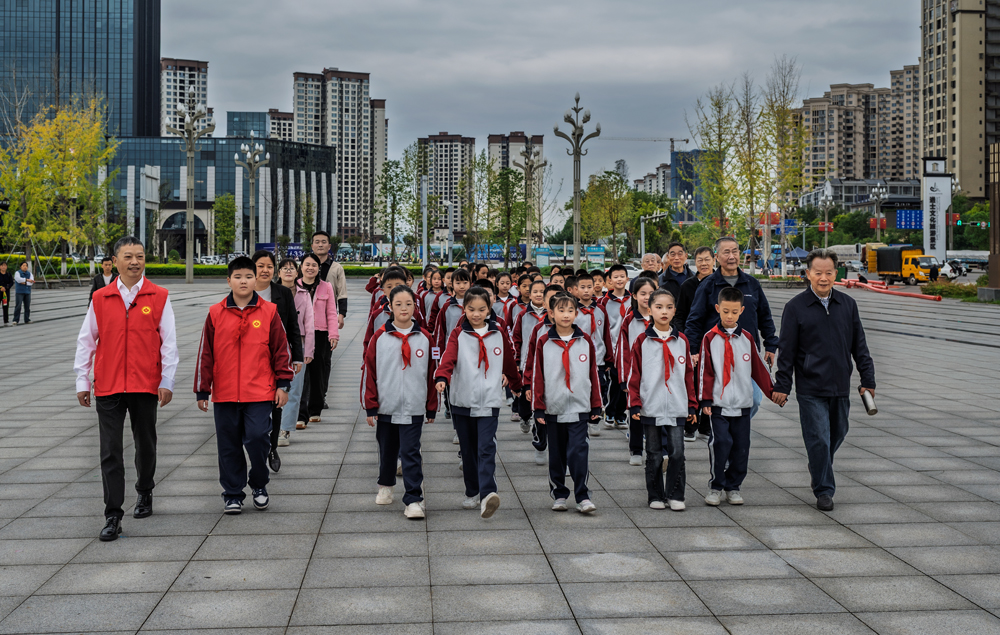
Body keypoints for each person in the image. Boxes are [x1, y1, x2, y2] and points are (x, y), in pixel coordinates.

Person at [74, 236, 178, 541]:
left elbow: (169, 343)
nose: (135, 262)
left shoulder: (158, 295)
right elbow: (86, 342)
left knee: (145, 443)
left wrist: (167, 380)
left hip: (145, 383)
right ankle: (113, 514)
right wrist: (82, 380)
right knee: (110, 451)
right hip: (108, 385)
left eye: (140, 256)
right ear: (115, 261)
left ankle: (144, 491)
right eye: (128, 256)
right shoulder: (101, 298)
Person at [772, 249, 876, 512]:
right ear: (808, 274)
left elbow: (860, 346)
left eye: (828, 273)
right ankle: (824, 491)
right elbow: (787, 352)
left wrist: (868, 378)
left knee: (838, 433)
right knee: (819, 438)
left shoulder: (847, 305)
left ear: (836, 274)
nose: (823, 278)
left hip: (840, 385)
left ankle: (818, 465)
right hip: (810, 387)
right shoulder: (795, 307)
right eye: (817, 273)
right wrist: (783, 386)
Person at [195, 256, 294, 515]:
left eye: (248, 276)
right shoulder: (216, 313)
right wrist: (202, 388)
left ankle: (259, 484)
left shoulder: (269, 311)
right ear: (228, 280)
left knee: (259, 437)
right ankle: (232, 493)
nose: (243, 281)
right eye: (238, 276)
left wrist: (283, 383)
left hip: (260, 390)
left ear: (257, 280)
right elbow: (206, 353)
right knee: (228, 445)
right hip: (226, 393)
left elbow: (281, 350)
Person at [435, 287, 522, 519]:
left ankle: (487, 494)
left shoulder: (498, 333)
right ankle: (472, 491)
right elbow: (448, 357)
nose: (476, 313)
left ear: (489, 309)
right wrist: (442, 377)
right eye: (471, 309)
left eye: (481, 309)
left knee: (486, 448)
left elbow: (509, 362)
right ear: (464, 309)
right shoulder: (457, 334)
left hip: (490, 401)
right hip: (462, 400)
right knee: (468, 450)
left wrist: (516, 384)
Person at [685, 236, 778, 420]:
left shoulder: (752, 284)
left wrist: (770, 345)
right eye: (726, 252)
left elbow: (765, 316)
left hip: (747, 354)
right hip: (717, 356)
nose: (731, 256)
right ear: (717, 257)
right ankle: (722, 436)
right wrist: (694, 350)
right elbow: (694, 320)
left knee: (755, 399)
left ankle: (737, 431)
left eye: (734, 251)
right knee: (720, 402)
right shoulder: (708, 286)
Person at [364, 285, 437, 519]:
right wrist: (371, 405)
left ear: (415, 307)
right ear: (390, 307)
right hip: (386, 405)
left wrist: (431, 406)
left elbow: (432, 373)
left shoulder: (426, 338)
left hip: (414, 406)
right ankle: (385, 485)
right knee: (387, 451)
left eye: (408, 304)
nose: (404, 308)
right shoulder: (379, 337)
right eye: (398, 304)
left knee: (411, 452)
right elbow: (370, 372)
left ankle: (414, 498)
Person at [698, 286, 775, 507]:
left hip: (742, 404)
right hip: (718, 405)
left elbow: (759, 369)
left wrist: (774, 392)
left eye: (734, 312)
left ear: (741, 311)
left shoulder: (747, 338)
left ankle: (733, 486)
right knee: (721, 442)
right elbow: (705, 370)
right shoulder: (709, 338)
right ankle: (716, 486)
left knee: (741, 448)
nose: (729, 316)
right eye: (725, 311)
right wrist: (705, 400)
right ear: (717, 309)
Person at [626, 288, 697, 511]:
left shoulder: (682, 340)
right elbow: (634, 373)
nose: (664, 312)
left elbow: (688, 375)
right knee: (654, 453)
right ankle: (655, 495)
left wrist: (692, 405)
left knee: (677, 451)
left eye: (668, 307)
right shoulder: (641, 341)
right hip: (651, 405)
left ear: (675, 310)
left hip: (677, 405)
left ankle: (676, 494)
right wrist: (635, 402)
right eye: (658, 307)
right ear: (650, 310)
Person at [531, 292, 602, 514]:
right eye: (560, 310)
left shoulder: (585, 340)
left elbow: (593, 374)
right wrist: (539, 406)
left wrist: (596, 404)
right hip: (554, 407)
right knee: (557, 454)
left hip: (580, 406)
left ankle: (582, 495)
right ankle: (559, 493)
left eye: (570, 310)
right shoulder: (544, 341)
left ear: (576, 313)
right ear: (551, 314)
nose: (566, 314)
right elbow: (538, 376)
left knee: (579, 452)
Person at [252, 250, 304, 472]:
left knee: (277, 402)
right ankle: (259, 443)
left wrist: (298, 356)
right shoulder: (244, 290)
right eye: (260, 265)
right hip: (251, 359)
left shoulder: (282, 292)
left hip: (277, 357)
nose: (265, 270)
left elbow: (293, 326)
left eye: (269, 266)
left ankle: (272, 447)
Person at [617, 276, 657, 464]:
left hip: (657, 375)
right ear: (633, 295)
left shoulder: (662, 317)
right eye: (643, 294)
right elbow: (623, 349)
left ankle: (657, 447)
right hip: (635, 375)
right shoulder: (630, 320)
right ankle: (636, 450)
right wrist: (624, 377)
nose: (647, 297)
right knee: (635, 411)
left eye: (651, 293)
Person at [677, 246, 715, 442]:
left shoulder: (720, 283)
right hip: (692, 341)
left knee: (710, 382)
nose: (704, 263)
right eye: (699, 260)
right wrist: (685, 341)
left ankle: (705, 425)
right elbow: (680, 315)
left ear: (714, 260)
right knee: (691, 383)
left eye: (707, 259)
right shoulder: (687, 286)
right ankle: (690, 426)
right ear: (694, 262)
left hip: (713, 341)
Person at [297, 252, 340, 427]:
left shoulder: (326, 287)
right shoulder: (295, 285)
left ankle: (315, 409)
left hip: (320, 333)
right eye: (307, 264)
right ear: (301, 267)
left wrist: (333, 334)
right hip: (300, 334)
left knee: (318, 372)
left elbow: (331, 312)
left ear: (318, 268)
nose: (310, 268)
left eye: (314, 265)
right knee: (301, 374)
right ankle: (301, 412)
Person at [276, 259, 314, 447]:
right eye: (285, 268)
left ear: (297, 272)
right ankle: (272, 426)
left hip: (298, 343)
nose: (288, 271)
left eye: (292, 268)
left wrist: (309, 350)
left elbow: (309, 323)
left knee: (294, 390)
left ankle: (285, 429)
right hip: (274, 345)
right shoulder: (270, 292)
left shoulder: (304, 294)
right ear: (279, 272)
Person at [573, 272, 614, 436]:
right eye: (582, 287)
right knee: (580, 387)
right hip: (577, 358)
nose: (586, 290)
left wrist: (609, 358)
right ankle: (581, 415)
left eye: (589, 287)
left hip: (598, 358)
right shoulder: (573, 310)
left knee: (599, 387)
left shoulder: (601, 310)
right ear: (575, 289)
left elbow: (606, 335)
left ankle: (595, 418)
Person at [309, 231, 347, 410]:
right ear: (312, 245)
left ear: (329, 246)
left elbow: (342, 292)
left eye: (324, 242)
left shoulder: (336, 268)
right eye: (317, 242)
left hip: (326, 320)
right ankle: (307, 395)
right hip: (307, 322)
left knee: (324, 360)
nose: (320, 245)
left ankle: (321, 394)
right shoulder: (305, 266)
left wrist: (342, 314)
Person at [511, 279, 549, 432]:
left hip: (545, 361)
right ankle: (525, 417)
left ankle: (541, 418)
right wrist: (517, 360)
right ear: (529, 294)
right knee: (525, 393)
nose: (538, 294)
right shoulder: (522, 315)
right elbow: (516, 338)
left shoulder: (551, 314)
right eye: (535, 292)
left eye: (542, 292)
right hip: (526, 361)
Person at [598, 264, 632, 430]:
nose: (619, 279)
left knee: (626, 382)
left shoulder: (634, 300)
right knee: (614, 382)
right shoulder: (603, 302)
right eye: (615, 277)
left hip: (629, 349)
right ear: (609, 280)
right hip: (612, 348)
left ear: (627, 279)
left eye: (622, 276)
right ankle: (610, 411)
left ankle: (621, 414)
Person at [0, 261, 12, 326]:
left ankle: (6, 321)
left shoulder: (9, 274)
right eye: (2, 265)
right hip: (0, 291)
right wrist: (1, 288)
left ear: (6, 267)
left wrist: (6, 287)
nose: (3, 267)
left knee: (5, 306)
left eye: (5, 265)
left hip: (6, 294)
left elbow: (11, 282)